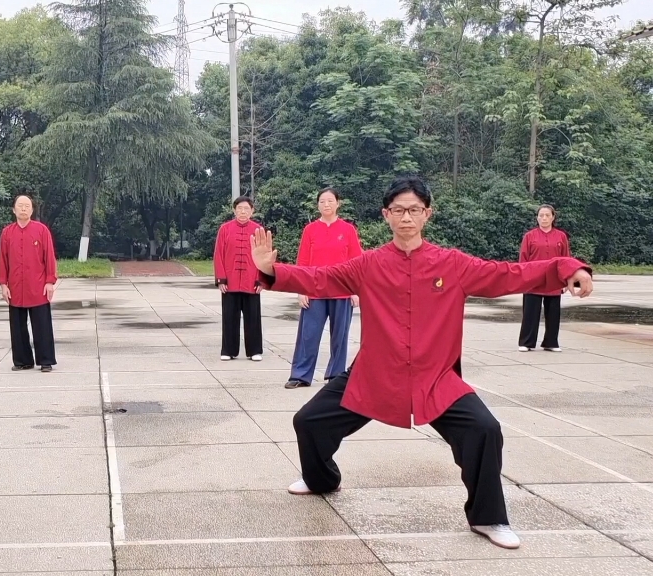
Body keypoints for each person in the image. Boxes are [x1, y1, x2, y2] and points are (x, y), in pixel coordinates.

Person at [249, 176, 593, 550]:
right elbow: (321, 279)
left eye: (414, 210)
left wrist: (569, 267)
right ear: (386, 215)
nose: (406, 218)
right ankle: (321, 479)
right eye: (398, 210)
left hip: (436, 378)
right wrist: (272, 270)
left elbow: (509, 274)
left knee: (485, 429)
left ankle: (488, 516)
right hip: (375, 374)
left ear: (427, 214)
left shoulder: (453, 264)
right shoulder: (368, 265)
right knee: (309, 421)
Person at [286, 188, 363, 389]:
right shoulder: (310, 230)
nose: (326, 205)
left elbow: (356, 261)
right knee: (308, 334)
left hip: (342, 289)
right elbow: (302, 261)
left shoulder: (348, 230)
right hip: (314, 290)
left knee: (340, 336)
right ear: (318, 205)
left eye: (330, 201)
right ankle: (300, 375)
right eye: (322, 201)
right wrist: (301, 290)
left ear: (338, 203)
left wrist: (356, 291)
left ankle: (336, 376)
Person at [0, 195, 58, 372]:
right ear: (14, 209)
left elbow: (49, 257)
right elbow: (3, 259)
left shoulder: (41, 230)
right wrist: (3, 284)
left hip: (38, 285)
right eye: (20, 206)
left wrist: (50, 282)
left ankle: (45, 360)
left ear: (32, 210)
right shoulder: (7, 233)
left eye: (27, 206)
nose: (23, 209)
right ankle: (23, 360)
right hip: (15, 286)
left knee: (42, 325)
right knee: (17, 326)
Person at [214, 196, 264, 362]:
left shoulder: (258, 229)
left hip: (252, 281)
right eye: (240, 208)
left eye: (246, 209)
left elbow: (264, 256)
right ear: (234, 210)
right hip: (230, 281)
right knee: (229, 317)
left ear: (252, 211)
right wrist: (221, 279)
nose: (243, 211)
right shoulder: (225, 229)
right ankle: (228, 350)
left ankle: (254, 350)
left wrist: (262, 280)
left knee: (253, 318)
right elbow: (218, 255)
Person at [518, 204, 572, 352]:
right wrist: (522, 278)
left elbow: (566, 258)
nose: (544, 218)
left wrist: (567, 278)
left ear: (553, 217)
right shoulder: (529, 236)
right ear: (537, 218)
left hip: (554, 279)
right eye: (541, 215)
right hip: (533, 278)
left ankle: (551, 342)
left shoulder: (561, 236)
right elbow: (523, 259)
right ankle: (526, 342)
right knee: (530, 311)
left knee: (553, 312)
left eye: (547, 215)